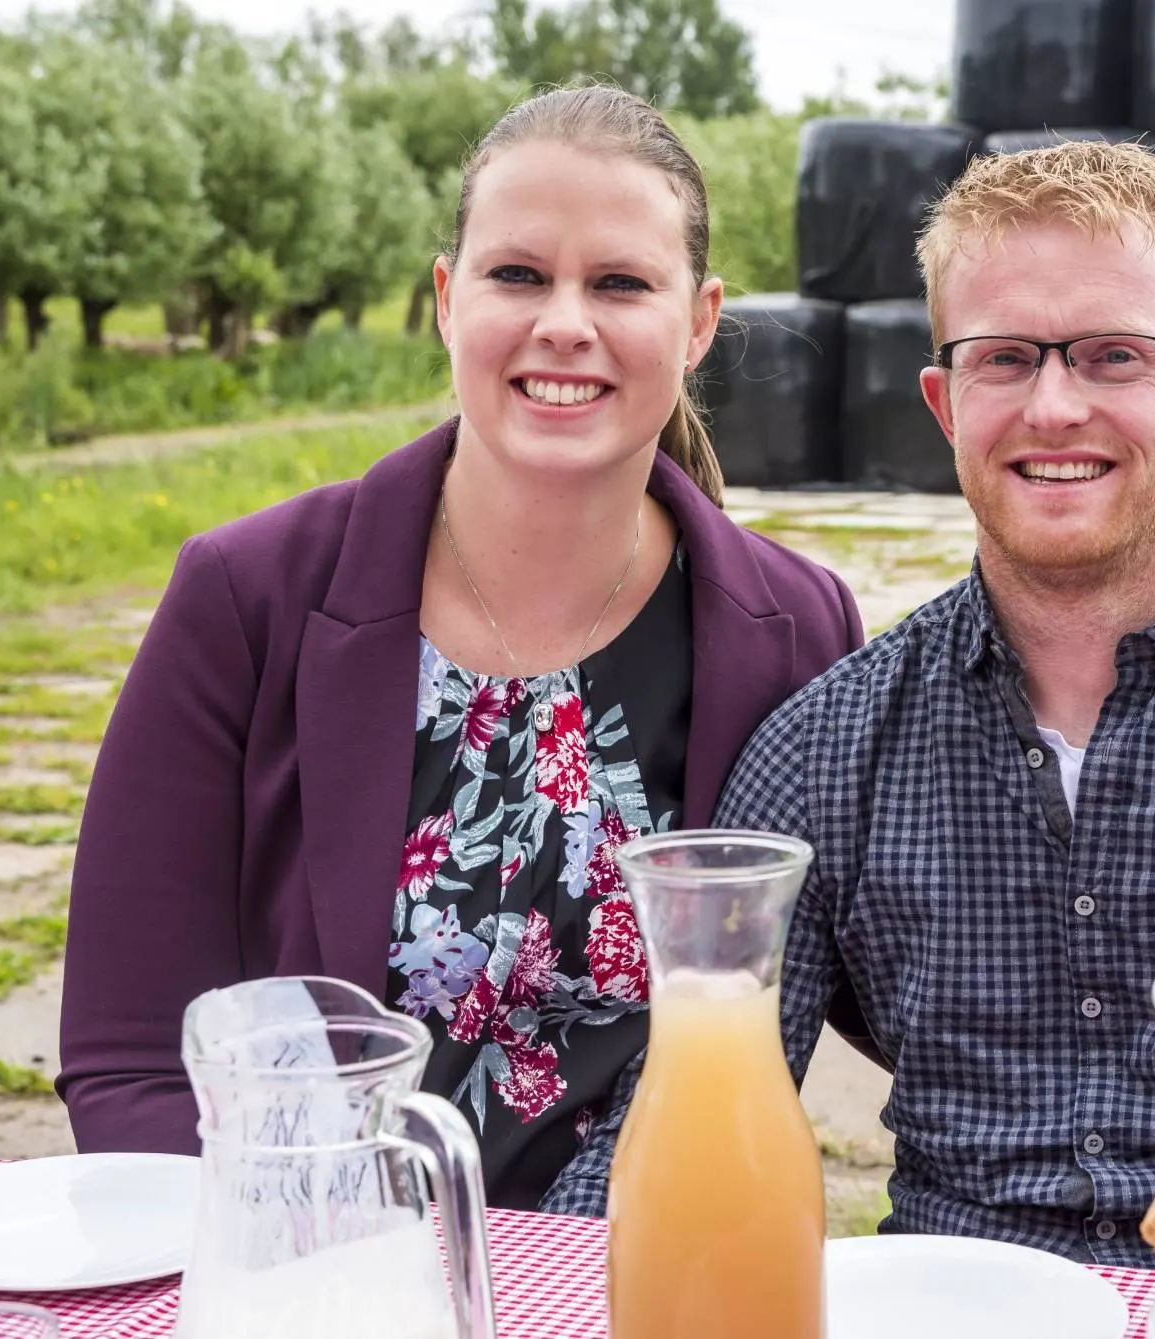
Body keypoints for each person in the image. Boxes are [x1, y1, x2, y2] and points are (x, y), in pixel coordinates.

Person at [541, 140, 1155, 1263]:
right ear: (944, 400)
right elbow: (686, 1117)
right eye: (1003, 358)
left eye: (1113, 356)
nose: (1055, 406)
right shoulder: (826, 751)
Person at [56, 85, 862, 1210]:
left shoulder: (797, 630)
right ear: (447, 299)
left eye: (620, 282)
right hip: (314, 1283)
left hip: (630, 1274)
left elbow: (862, 982)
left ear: (699, 320)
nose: (564, 323)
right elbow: (130, 1056)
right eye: (518, 274)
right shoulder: (243, 596)